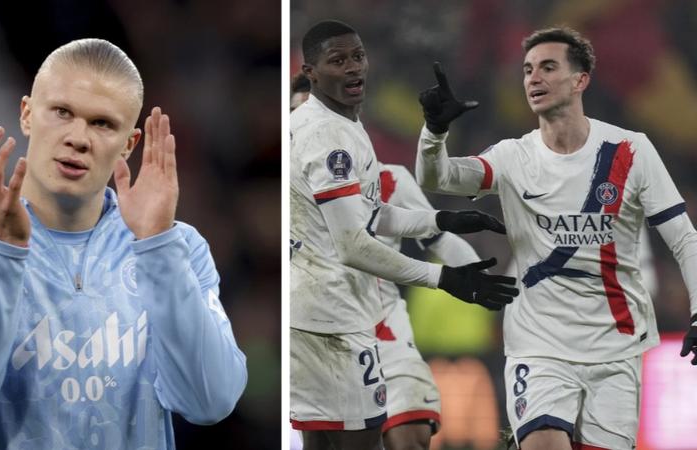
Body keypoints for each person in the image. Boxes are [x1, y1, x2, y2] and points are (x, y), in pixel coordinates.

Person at [0, 38, 247, 449]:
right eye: (62, 112)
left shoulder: (176, 247)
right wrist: (3, 253)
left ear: (129, 144)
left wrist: (158, 246)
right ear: (27, 115)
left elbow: (210, 402)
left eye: (102, 123)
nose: (78, 138)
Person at [415, 27, 697, 450]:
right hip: (539, 346)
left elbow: (683, 238)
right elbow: (437, 176)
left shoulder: (631, 151)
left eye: (548, 67)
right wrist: (434, 133)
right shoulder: (513, 156)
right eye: (528, 70)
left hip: (616, 349)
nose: (533, 78)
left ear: (580, 79)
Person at [290, 20, 518, 450]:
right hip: (327, 326)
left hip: (385, 335)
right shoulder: (312, 158)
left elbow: (421, 233)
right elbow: (353, 243)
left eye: (357, 57)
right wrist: (447, 279)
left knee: (407, 434)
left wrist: (451, 238)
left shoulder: (385, 176)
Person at [375, 163, 483, 450]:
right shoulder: (296, 183)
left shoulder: (391, 179)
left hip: (388, 337)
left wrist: (481, 278)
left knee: (413, 434)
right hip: (324, 335)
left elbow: (438, 236)